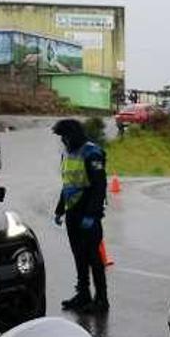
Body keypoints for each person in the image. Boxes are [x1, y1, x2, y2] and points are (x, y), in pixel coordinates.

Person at [53, 119, 109, 313]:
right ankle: (83, 293)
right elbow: (67, 184)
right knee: (79, 255)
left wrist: (92, 215)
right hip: (72, 212)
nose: (63, 141)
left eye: (65, 137)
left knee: (94, 257)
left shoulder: (92, 153)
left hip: (88, 213)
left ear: (74, 135)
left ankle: (101, 299)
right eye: (62, 138)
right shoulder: (67, 154)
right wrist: (59, 209)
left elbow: (99, 187)